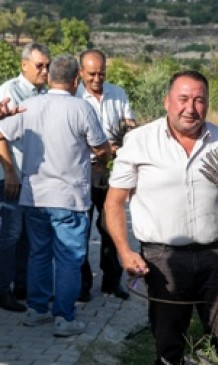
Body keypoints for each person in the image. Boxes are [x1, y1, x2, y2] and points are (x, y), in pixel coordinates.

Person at [104, 70, 218, 364]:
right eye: (183, 99)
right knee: (169, 344)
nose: (191, 108)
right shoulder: (139, 141)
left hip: (217, 257)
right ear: (167, 101)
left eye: (199, 100)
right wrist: (125, 252)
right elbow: (114, 203)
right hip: (164, 260)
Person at [0, 55, 110, 336]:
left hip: (35, 196)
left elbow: (3, 133)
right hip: (69, 198)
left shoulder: (29, 106)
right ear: (76, 81)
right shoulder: (81, 108)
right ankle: (65, 318)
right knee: (69, 258)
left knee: (38, 254)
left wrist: (11, 169)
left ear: (49, 79)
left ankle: (37, 311)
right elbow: (100, 147)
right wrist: (102, 156)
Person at [76, 49, 136, 301]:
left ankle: (112, 282)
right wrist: (100, 148)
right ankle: (82, 285)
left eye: (102, 73)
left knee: (111, 227)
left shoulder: (117, 93)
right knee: (82, 227)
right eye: (92, 74)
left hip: (113, 170)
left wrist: (124, 140)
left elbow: (129, 126)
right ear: (80, 72)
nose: (97, 78)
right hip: (83, 169)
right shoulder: (74, 96)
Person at [0, 43, 50, 312]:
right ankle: (2, 289)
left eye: (47, 65)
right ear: (24, 65)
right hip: (12, 175)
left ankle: (22, 284)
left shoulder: (43, 92)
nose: (45, 70)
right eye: (39, 65)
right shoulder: (11, 91)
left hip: (32, 177)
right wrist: (9, 172)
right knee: (10, 233)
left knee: (26, 235)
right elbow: (0, 134)